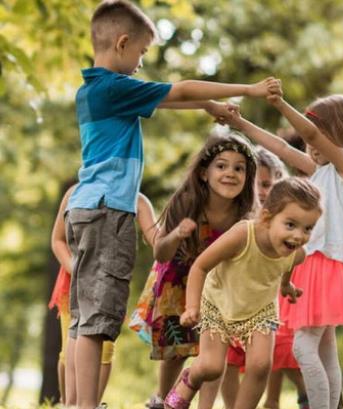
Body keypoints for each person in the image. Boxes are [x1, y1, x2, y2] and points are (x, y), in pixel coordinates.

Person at [65, 2, 276, 407]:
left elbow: (166, 100)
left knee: (83, 317)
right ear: (123, 43)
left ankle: (77, 402)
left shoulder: (93, 91)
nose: (142, 62)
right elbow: (177, 90)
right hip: (109, 210)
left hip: (87, 209)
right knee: (97, 322)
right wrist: (246, 90)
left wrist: (207, 107)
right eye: (142, 52)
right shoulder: (113, 87)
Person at [223, 85, 343, 409]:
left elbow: (310, 132)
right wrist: (243, 126)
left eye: (317, 136)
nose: (309, 144)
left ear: (337, 133)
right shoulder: (320, 172)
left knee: (303, 349)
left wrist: (280, 103)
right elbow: (280, 147)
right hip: (313, 265)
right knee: (324, 351)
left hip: (324, 264)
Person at [164, 177, 322, 409]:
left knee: (260, 366)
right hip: (219, 303)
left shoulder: (296, 252)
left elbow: (287, 267)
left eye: (308, 228)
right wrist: (192, 307)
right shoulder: (242, 235)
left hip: (260, 310)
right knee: (211, 367)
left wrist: (286, 286)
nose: (299, 236)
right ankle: (190, 378)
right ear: (267, 218)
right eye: (290, 225)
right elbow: (200, 266)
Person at [129, 132, 258, 409]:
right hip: (177, 280)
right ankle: (162, 400)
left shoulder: (245, 214)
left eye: (239, 168)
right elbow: (160, 252)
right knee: (176, 351)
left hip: (218, 286)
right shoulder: (187, 202)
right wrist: (176, 234)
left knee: (213, 351)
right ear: (203, 173)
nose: (230, 174)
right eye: (221, 166)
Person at [220, 148, 310, 409]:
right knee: (228, 360)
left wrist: (286, 283)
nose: (260, 191)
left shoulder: (283, 223)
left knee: (274, 356)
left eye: (267, 184)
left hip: (267, 303)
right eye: (256, 183)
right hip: (230, 300)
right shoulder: (235, 217)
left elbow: (292, 256)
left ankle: (306, 397)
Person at [50, 185, 156, 405]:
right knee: (69, 347)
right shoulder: (75, 193)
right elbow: (57, 240)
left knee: (105, 346)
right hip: (73, 286)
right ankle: (68, 401)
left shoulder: (134, 198)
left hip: (109, 286)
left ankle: (92, 402)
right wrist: (77, 269)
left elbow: (157, 237)